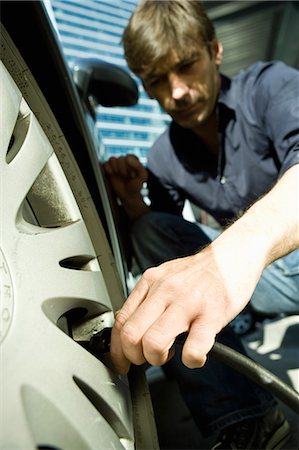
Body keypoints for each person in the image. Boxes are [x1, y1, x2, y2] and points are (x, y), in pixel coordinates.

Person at [104, 1, 299, 448]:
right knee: (150, 229)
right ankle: (248, 420)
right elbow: (171, 245)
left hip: (278, 260)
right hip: (255, 286)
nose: (178, 92)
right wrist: (134, 203)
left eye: (186, 66)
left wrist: (229, 258)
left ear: (214, 51)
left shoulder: (270, 87)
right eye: (157, 81)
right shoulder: (162, 156)